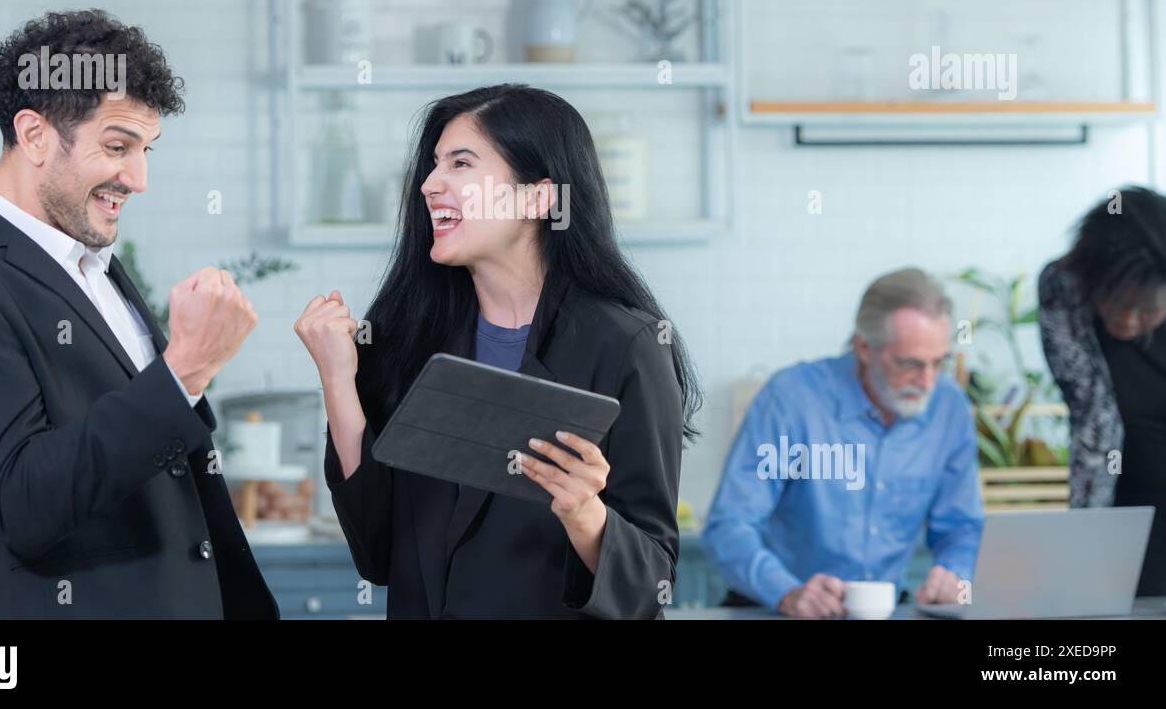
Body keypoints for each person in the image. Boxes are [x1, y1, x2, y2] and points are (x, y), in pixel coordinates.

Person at [0, 9, 277, 619]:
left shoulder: (91, 263)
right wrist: (184, 372)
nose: (139, 178)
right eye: (118, 146)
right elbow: (22, 506)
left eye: (146, 150)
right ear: (35, 135)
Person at [293, 84, 697, 618]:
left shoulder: (627, 346)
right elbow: (377, 554)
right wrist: (338, 382)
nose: (429, 185)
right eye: (433, 165)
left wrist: (584, 514)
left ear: (538, 197)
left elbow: (652, 584)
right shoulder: (405, 337)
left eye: (461, 164)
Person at [701, 268, 983, 618]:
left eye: (937, 364)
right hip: (776, 608)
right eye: (910, 364)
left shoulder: (949, 408)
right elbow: (729, 525)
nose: (927, 382)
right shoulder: (790, 400)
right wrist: (786, 591)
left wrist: (955, 577)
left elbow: (961, 527)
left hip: (884, 610)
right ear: (864, 348)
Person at [1038, 186, 1166, 596]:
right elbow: (1092, 414)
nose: (1127, 320)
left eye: (1147, 310)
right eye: (1114, 301)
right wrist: (1086, 545)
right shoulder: (1064, 287)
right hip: (1123, 518)